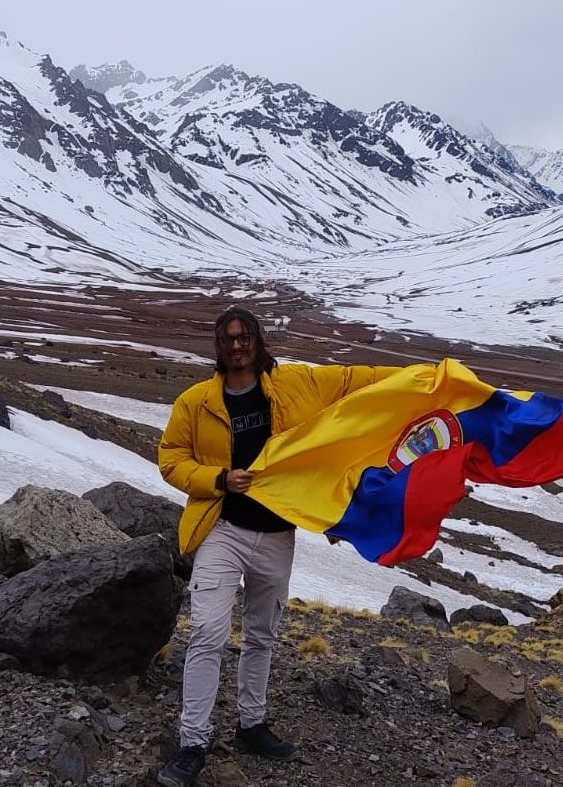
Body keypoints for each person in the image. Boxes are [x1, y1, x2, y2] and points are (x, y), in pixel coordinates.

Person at [156, 307, 397, 787]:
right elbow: (170, 459)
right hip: (221, 528)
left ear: (259, 340)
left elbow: (356, 379)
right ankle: (192, 742)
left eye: (245, 337)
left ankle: (252, 725)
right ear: (218, 346)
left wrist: (424, 380)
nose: (238, 345)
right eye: (228, 338)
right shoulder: (196, 401)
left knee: (262, 633)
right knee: (207, 631)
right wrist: (219, 479)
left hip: (276, 533)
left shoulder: (297, 384)